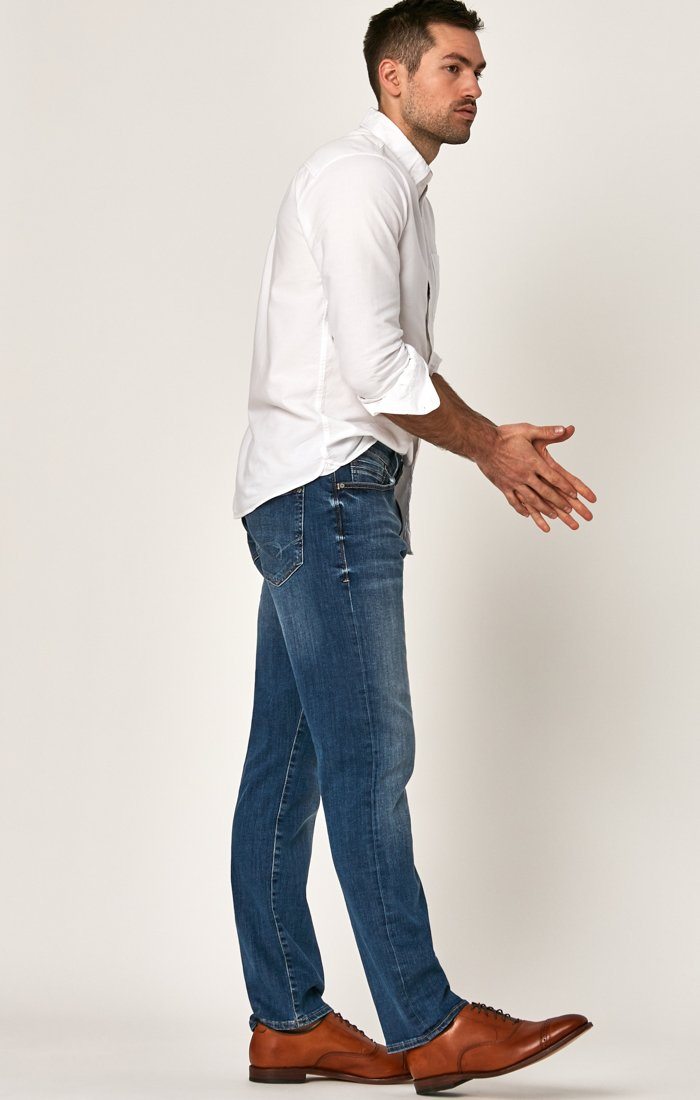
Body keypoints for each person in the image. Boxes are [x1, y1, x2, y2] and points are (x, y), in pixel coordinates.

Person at [230, 1, 596, 1092]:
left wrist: (478, 445)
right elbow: (378, 371)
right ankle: (428, 1023)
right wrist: (490, 448)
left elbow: (384, 366)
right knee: (370, 759)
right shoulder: (361, 180)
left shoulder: (395, 190)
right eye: (453, 67)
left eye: (479, 71)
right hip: (329, 494)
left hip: (310, 494)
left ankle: (286, 1020)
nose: (475, 86)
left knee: (288, 768)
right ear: (393, 78)